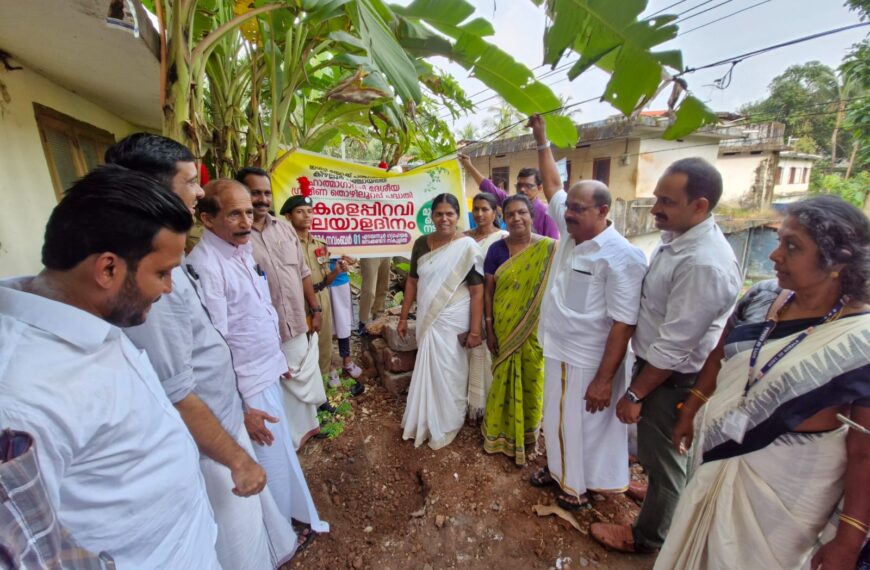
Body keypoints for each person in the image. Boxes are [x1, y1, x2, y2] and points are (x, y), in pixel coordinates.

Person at [0, 166, 220, 568]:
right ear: (107, 269)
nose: (169, 288)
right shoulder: (19, 398)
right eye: (162, 273)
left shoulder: (93, 316)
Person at [109, 136, 297, 568]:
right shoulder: (146, 272)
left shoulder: (185, 255)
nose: (198, 194)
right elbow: (177, 386)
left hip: (227, 408)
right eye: (191, 183)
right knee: (236, 535)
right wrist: (236, 456)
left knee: (254, 522)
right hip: (211, 430)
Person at [655, 196, 869, 570]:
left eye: (792, 246)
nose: (775, 256)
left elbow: (864, 448)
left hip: (784, 493)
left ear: (838, 260)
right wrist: (691, 407)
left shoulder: (858, 341)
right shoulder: (762, 298)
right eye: (779, 240)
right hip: (719, 456)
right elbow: (721, 353)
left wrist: (849, 538)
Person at [591, 157, 742, 553]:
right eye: (657, 198)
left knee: (668, 460)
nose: (655, 208)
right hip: (660, 369)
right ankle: (659, 496)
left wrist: (635, 394)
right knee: (661, 457)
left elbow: (676, 345)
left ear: (700, 206)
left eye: (666, 201)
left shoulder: (703, 264)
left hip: (672, 378)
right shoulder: (679, 239)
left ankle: (648, 537)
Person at [188, 179, 329, 541]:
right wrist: (241, 407)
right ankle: (277, 537)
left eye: (248, 212)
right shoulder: (206, 266)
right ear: (207, 219)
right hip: (244, 388)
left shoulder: (242, 251)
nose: (245, 222)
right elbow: (216, 344)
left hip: (265, 373)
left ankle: (287, 521)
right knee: (267, 465)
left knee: (280, 458)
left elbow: (257, 314)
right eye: (234, 214)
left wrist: (275, 359)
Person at [525, 115, 648, 508]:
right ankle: (561, 471)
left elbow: (625, 323)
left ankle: (575, 489)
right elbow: (553, 187)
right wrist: (542, 140)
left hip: (589, 361)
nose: (568, 214)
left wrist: (603, 379)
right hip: (558, 350)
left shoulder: (621, 257)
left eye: (578, 210)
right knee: (559, 420)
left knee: (583, 427)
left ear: (603, 210)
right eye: (569, 209)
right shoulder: (574, 232)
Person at [236, 166, 330, 448]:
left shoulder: (285, 230)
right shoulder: (236, 236)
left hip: (296, 321)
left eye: (266, 193)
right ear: (242, 194)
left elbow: (302, 272)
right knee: (276, 385)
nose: (262, 199)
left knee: (303, 375)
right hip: (263, 330)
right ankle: (286, 442)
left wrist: (315, 310)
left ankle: (309, 430)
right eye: (255, 193)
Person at [399, 193, 484, 450]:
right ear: (432, 217)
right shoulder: (422, 244)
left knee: (451, 368)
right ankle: (425, 417)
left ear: (458, 216)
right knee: (428, 365)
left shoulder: (468, 247)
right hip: (428, 314)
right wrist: (403, 317)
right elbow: (412, 281)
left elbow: (478, 290)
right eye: (439, 214)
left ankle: (448, 420)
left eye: (450, 214)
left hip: (455, 315)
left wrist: (476, 330)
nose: (444, 219)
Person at [481, 194, 556, 465]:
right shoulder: (496, 250)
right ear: (504, 217)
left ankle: (528, 437)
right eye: (510, 214)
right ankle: (498, 434)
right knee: (502, 376)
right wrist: (488, 327)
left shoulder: (549, 248)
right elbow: (488, 292)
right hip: (503, 324)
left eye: (522, 212)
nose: (516, 218)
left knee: (533, 377)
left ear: (532, 216)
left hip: (536, 328)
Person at [281, 194, 355, 386]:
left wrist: (337, 271)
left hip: (322, 297)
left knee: (323, 344)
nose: (306, 216)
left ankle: (321, 393)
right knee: (300, 348)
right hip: (298, 301)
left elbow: (324, 281)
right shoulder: (284, 244)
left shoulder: (320, 245)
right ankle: (303, 393)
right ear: (288, 216)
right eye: (299, 212)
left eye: (310, 211)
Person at [464, 192, 508, 420]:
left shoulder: (504, 238)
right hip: (464, 304)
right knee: (467, 353)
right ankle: (469, 403)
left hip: (491, 304)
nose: (480, 214)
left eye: (485, 209)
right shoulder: (462, 237)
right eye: (476, 209)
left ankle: (487, 406)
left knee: (487, 353)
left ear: (495, 212)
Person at [458, 153, 560, 239]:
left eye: (528, 186)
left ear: (539, 188)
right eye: (519, 185)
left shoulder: (548, 214)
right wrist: (469, 166)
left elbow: (553, 246)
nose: (522, 189)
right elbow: (488, 187)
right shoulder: (510, 203)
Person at [327, 256, 365, 385]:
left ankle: (347, 360)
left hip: (341, 281)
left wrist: (350, 259)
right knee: (326, 324)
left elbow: (353, 256)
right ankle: (329, 365)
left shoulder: (340, 235)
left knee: (343, 322)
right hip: (321, 281)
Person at [358, 256, 391, 334]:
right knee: (369, 290)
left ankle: (378, 316)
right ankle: (364, 320)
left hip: (385, 249)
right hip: (369, 250)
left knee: (383, 286)